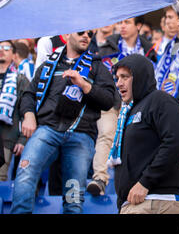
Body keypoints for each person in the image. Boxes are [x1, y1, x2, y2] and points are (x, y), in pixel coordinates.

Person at [11, 31, 116, 214]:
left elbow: (109, 100)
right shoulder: (49, 64)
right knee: (25, 172)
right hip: (47, 130)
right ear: (67, 35)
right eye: (81, 32)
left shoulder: (97, 66)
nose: (86, 36)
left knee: (73, 196)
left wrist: (84, 85)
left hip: (81, 134)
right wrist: (28, 115)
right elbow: (28, 94)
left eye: (90, 34)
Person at [87, 17, 157, 196]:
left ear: (138, 26)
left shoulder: (149, 49)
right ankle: (100, 179)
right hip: (110, 101)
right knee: (106, 134)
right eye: (120, 23)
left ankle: (139, 180)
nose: (122, 26)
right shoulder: (106, 48)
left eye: (127, 22)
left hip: (139, 103)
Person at [109, 54, 179, 214]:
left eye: (125, 77)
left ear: (140, 76)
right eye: (117, 78)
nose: (119, 83)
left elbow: (175, 143)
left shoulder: (161, 100)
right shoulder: (129, 111)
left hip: (156, 200)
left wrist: (145, 182)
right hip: (133, 203)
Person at [0, 41, 29, 181]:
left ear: (14, 54)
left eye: (6, 48)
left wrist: (23, 139)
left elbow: (27, 111)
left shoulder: (20, 79)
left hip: (6, 138)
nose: (2, 50)